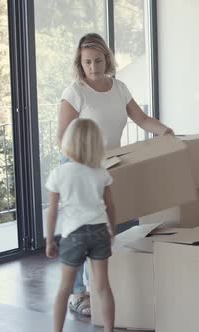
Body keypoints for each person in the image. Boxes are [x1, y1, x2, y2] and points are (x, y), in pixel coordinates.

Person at [56, 32, 174, 315]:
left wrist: (165, 131)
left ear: (106, 59)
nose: (93, 68)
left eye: (98, 61)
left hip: (109, 166)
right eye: (87, 63)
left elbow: (141, 118)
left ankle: (99, 287)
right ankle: (79, 294)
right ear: (80, 63)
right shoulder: (75, 92)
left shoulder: (119, 88)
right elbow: (62, 137)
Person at [46, 118, 116, 332]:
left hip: (73, 233)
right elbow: (111, 206)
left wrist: (50, 240)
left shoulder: (59, 173)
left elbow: (52, 211)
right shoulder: (101, 173)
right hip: (99, 231)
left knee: (64, 288)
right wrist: (112, 230)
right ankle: (109, 330)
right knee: (103, 286)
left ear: (69, 142)